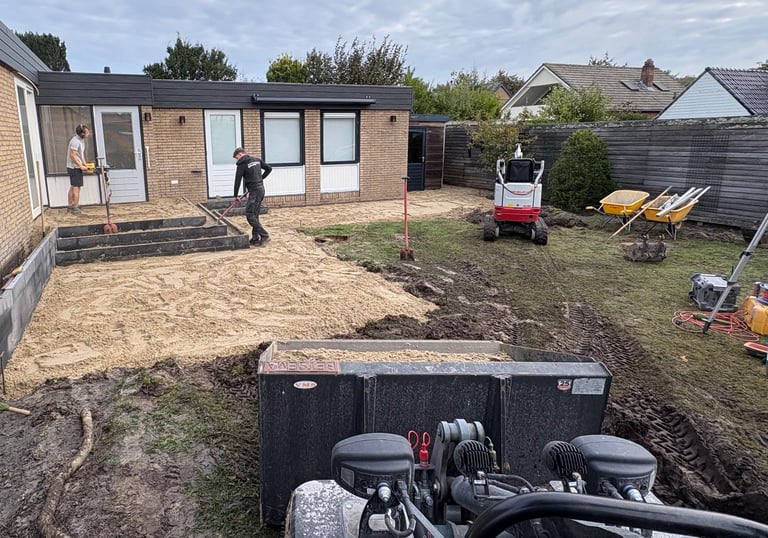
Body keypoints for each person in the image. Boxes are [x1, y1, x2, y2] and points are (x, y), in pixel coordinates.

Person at [233, 147, 273, 246]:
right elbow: (269, 169)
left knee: (249, 214)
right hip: (261, 190)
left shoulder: (242, 164)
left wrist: (236, 195)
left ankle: (264, 235)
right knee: (255, 214)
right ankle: (255, 238)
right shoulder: (257, 160)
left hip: (255, 192)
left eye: (236, 157)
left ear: (240, 154)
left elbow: (237, 180)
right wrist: (260, 179)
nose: (237, 160)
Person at [66, 124, 91, 214]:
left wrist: (85, 164)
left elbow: (80, 154)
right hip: (74, 168)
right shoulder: (75, 141)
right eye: (87, 132)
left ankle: (70, 206)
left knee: (73, 186)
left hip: (76, 166)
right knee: (76, 188)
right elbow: (72, 156)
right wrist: (80, 166)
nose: (88, 133)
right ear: (82, 134)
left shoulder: (81, 140)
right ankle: (75, 208)